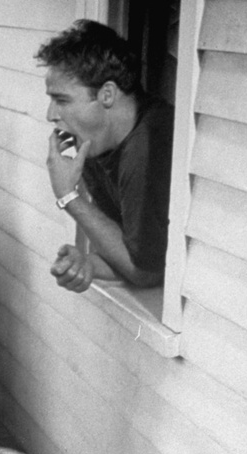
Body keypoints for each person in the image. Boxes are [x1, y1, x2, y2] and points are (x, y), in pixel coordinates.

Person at [37, 19, 174, 293]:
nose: (51, 115)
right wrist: (89, 263)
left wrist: (69, 197)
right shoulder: (95, 140)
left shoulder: (149, 145)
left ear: (107, 94)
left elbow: (145, 272)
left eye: (62, 100)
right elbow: (124, 248)